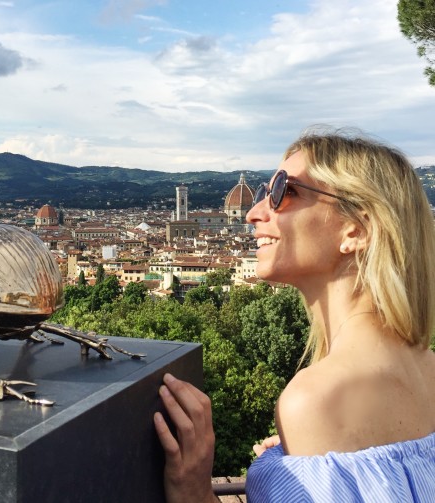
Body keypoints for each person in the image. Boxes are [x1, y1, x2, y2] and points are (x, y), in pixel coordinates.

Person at [153, 126, 435, 502]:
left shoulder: (318, 399)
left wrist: (191, 489)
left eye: (283, 191)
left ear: (357, 228)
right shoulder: (426, 369)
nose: (254, 212)